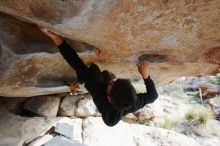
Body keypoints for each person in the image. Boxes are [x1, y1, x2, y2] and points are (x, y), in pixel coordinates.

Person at [39, 27, 158, 126]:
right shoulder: (133, 101)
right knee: (107, 74)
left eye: (112, 84)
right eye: (117, 81)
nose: (114, 80)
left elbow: (75, 61)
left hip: (100, 93)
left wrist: (55, 37)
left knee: (91, 70)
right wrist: (145, 75)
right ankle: (85, 80)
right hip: (112, 95)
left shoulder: (98, 91)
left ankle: (77, 83)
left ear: (109, 98)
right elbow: (153, 96)